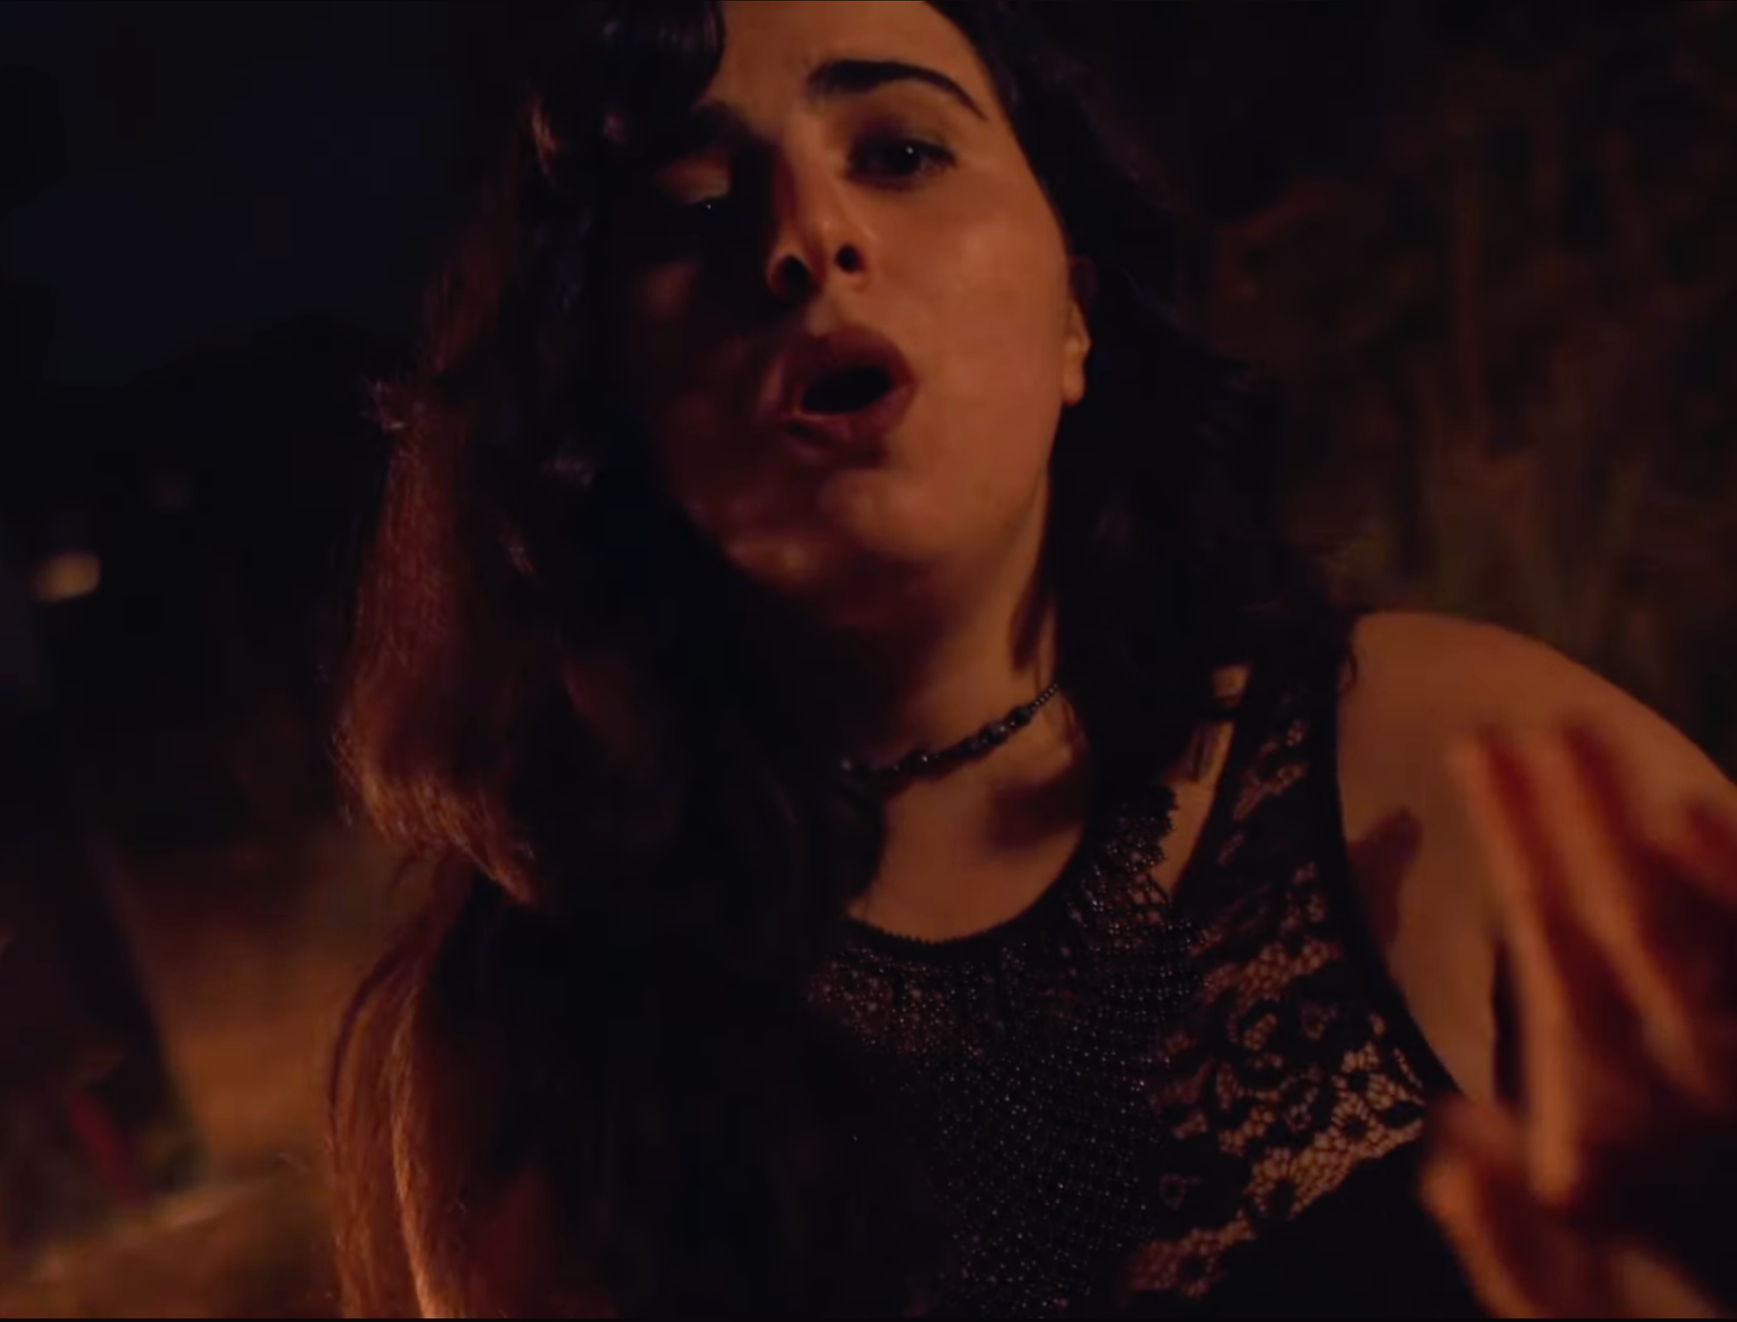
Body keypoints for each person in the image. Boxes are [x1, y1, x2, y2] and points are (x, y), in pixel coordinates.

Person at [327, 1, 1737, 1316]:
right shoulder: (535, 1044)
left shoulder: (1458, 772)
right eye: (694, 209)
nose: (809, 237)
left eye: (900, 152)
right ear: (609, 404)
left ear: (1076, 315)